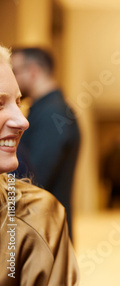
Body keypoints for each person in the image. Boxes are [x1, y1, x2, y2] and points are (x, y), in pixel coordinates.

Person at [0, 45, 79, 285]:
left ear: (33, 71)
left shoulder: (52, 113)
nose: (21, 121)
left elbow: (36, 174)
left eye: (18, 101)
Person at [11, 47, 80, 239]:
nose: (11, 78)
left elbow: (33, 180)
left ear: (33, 71)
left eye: (15, 71)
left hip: (45, 235)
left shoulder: (53, 114)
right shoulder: (48, 110)